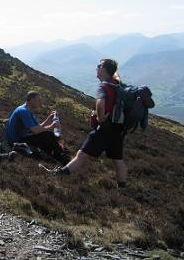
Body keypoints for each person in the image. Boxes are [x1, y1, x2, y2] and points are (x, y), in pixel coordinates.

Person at [53, 58, 128, 188]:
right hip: (118, 128)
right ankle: (122, 187)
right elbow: (115, 74)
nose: (97, 68)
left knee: (82, 154)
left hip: (104, 129)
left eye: (99, 66)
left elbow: (100, 102)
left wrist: (100, 118)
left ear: (104, 70)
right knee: (118, 159)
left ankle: (60, 174)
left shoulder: (103, 86)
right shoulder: (117, 84)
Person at [6, 91, 68, 164]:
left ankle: (55, 156)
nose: (40, 102)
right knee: (47, 135)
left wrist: (49, 118)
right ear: (32, 100)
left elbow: (38, 127)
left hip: (21, 136)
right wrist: (52, 126)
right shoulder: (24, 112)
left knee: (46, 135)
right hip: (16, 140)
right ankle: (60, 157)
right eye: (38, 100)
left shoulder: (28, 110)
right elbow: (35, 130)